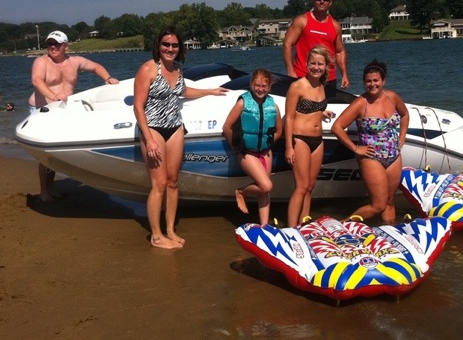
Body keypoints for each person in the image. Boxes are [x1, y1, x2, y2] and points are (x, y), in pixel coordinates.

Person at [133, 26, 229, 250]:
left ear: (180, 48)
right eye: (166, 44)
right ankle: (156, 236)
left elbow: (183, 91)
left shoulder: (177, 68)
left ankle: (170, 229)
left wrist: (209, 91)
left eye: (174, 45)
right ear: (158, 45)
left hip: (175, 127)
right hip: (153, 128)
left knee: (173, 182)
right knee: (159, 184)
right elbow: (138, 107)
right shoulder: (148, 69)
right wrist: (149, 139)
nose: (170, 48)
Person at [29, 30, 120, 203]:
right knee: (46, 153)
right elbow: (37, 80)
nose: (53, 47)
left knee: (54, 151)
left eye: (56, 44)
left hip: (62, 110)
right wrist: (53, 96)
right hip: (42, 109)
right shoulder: (41, 61)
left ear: (66, 46)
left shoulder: (75, 61)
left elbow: (95, 67)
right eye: (50, 44)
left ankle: (51, 188)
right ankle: (44, 191)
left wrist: (107, 78)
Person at [331, 59, 408, 224]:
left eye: (376, 80)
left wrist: (402, 136)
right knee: (378, 205)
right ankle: (343, 224)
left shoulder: (392, 97)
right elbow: (337, 127)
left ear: (383, 81)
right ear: (364, 83)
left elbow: (405, 114)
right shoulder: (361, 103)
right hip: (371, 157)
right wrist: (355, 148)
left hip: (394, 155)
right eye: (368, 81)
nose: (372, 84)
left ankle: (390, 231)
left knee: (390, 201)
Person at [222, 69, 283, 225]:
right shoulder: (243, 103)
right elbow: (227, 127)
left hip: (265, 151)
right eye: (257, 85)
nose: (260, 89)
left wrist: (268, 143)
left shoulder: (273, 106)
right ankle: (241, 192)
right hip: (246, 152)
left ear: (269, 87)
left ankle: (264, 225)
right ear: (251, 84)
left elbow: (279, 131)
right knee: (266, 185)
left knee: (264, 191)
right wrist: (236, 147)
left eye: (264, 86)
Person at [284, 45, 334, 227]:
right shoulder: (297, 86)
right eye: (313, 63)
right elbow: (289, 117)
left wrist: (322, 112)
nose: (316, 67)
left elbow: (310, 109)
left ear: (326, 66)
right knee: (301, 186)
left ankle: (304, 223)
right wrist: (289, 146)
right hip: (300, 139)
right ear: (306, 64)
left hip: (318, 141)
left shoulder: (321, 85)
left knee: (310, 186)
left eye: (320, 64)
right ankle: (291, 229)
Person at [283, 0, 349, 97]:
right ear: (314, 1)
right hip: (303, 76)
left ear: (330, 2)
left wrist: (344, 74)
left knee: (328, 107)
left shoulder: (335, 25)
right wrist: (290, 70)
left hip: (328, 79)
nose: (322, 1)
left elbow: (340, 51)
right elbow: (287, 44)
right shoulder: (302, 21)